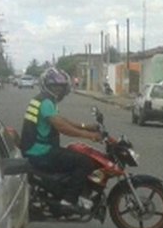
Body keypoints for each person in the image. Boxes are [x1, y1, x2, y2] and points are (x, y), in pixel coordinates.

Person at [20, 67, 103, 212]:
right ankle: (69, 201)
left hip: (36, 148)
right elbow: (62, 127)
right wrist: (89, 135)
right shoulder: (45, 102)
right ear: (47, 85)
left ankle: (70, 191)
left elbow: (62, 120)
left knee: (75, 153)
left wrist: (87, 126)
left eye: (61, 86)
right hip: (40, 152)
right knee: (85, 162)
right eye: (55, 86)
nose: (58, 89)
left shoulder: (44, 100)